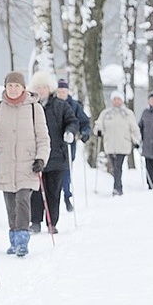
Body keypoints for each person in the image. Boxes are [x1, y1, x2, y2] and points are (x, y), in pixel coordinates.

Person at [0, 71, 50, 257]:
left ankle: (22, 240)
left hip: (27, 163)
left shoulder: (34, 108)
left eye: (17, 86)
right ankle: (13, 238)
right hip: (5, 162)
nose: (13, 89)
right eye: (10, 86)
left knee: (22, 200)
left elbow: (43, 137)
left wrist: (41, 158)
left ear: (23, 88)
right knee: (10, 203)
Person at [29, 71, 78, 234]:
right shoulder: (31, 106)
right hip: (36, 156)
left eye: (44, 87)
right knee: (35, 191)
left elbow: (72, 121)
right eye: (38, 87)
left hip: (57, 156)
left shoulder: (61, 105)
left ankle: (52, 222)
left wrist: (70, 132)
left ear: (49, 88)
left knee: (53, 191)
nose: (41, 90)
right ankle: (35, 221)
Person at [93, 91, 141, 196]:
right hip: (110, 144)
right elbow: (99, 124)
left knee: (118, 166)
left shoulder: (127, 114)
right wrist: (99, 130)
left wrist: (136, 140)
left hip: (123, 144)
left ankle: (117, 188)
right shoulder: (106, 113)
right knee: (114, 167)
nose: (116, 101)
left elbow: (134, 128)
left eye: (118, 99)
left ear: (122, 100)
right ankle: (118, 186)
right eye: (114, 99)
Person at [56, 79, 91, 212]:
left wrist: (85, 133)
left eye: (63, 91)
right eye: (59, 91)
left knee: (66, 170)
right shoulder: (52, 104)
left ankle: (66, 195)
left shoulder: (75, 106)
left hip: (69, 144)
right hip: (53, 143)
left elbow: (84, 122)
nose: (61, 94)